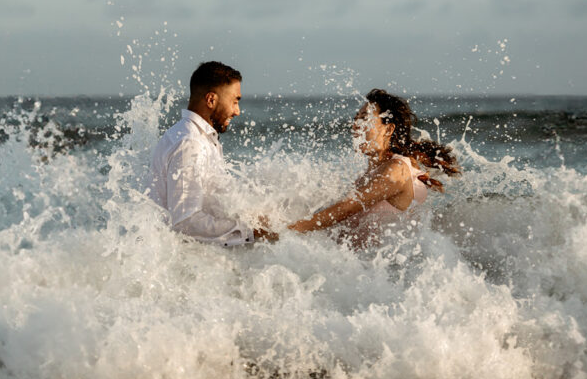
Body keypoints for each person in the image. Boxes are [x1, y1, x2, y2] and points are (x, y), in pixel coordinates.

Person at [287, 88, 460, 245]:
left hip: (382, 274)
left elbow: (345, 209)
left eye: (364, 119)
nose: (355, 126)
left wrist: (285, 233)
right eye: (355, 119)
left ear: (388, 129)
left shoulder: (395, 170)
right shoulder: (375, 170)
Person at [148, 61, 277, 245]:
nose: (237, 111)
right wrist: (250, 231)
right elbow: (185, 223)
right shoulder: (190, 143)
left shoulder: (198, 138)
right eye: (234, 101)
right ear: (211, 100)